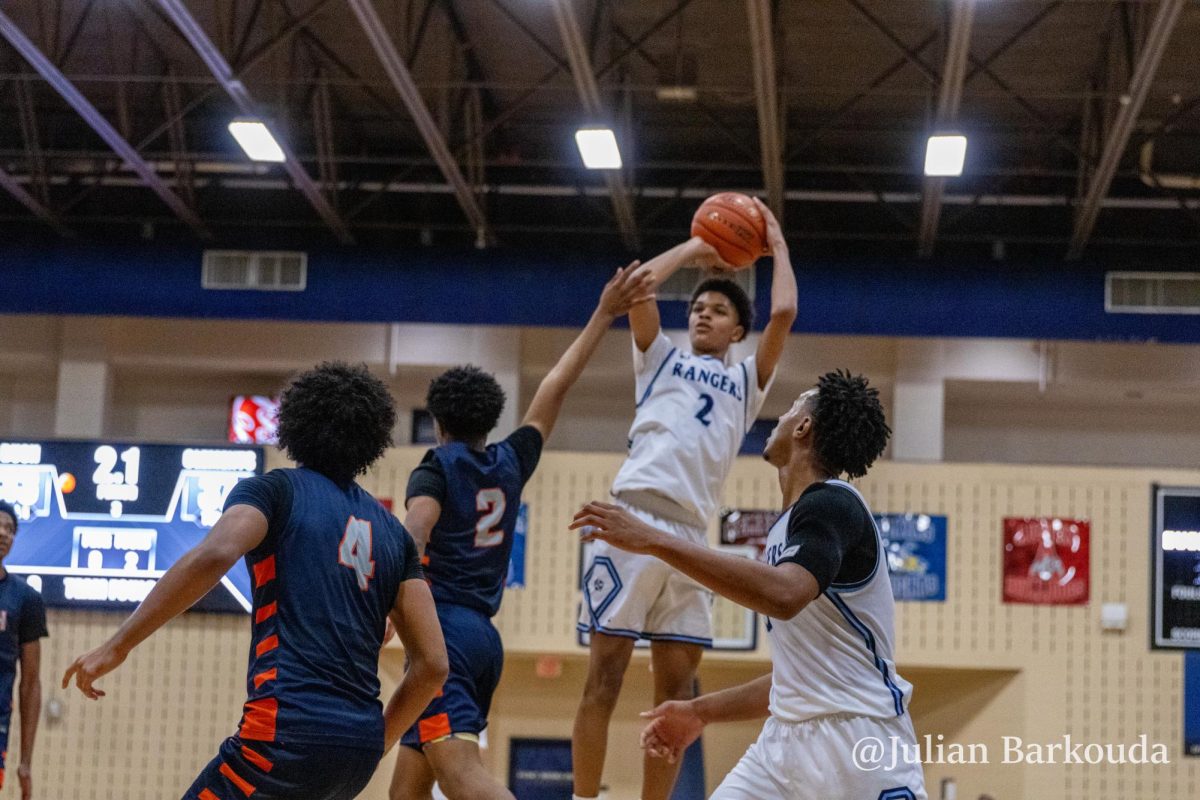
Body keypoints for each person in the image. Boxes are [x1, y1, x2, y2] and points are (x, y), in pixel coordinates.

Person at [62, 362, 449, 800]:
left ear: (295, 423)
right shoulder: (393, 534)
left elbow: (215, 554)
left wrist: (117, 645)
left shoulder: (275, 491)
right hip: (355, 753)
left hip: (285, 734)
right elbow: (434, 663)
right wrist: (373, 741)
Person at [571, 371, 927, 800]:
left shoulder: (833, 502)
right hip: (783, 745)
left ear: (803, 428)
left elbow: (784, 596)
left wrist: (654, 539)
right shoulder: (788, 530)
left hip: (857, 743)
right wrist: (698, 712)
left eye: (795, 404)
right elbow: (797, 680)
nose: (781, 414)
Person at [391, 265, 653, 800]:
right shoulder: (511, 459)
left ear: (438, 422)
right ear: (490, 419)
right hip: (482, 638)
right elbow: (556, 384)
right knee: (406, 792)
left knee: (463, 776)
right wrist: (604, 313)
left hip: (441, 634)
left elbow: (412, 535)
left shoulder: (436, 466)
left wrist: (385, 610)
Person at [572, 199, 797, 800]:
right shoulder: (661, 358)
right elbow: (637, 286)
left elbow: (785, 310)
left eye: (719, 310)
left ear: (737, 332)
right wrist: (698, 248)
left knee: (675, 700)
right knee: (604, 681)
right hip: (631, 521)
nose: (703, 314)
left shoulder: (747, 381)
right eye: (697, 307)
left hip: (690, 540)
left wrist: (774, 238)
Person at [0, 500, 47, 800]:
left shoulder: (25, 599)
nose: (4, 533)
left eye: (10, 528)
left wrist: (26, 762)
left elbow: (30, 683)